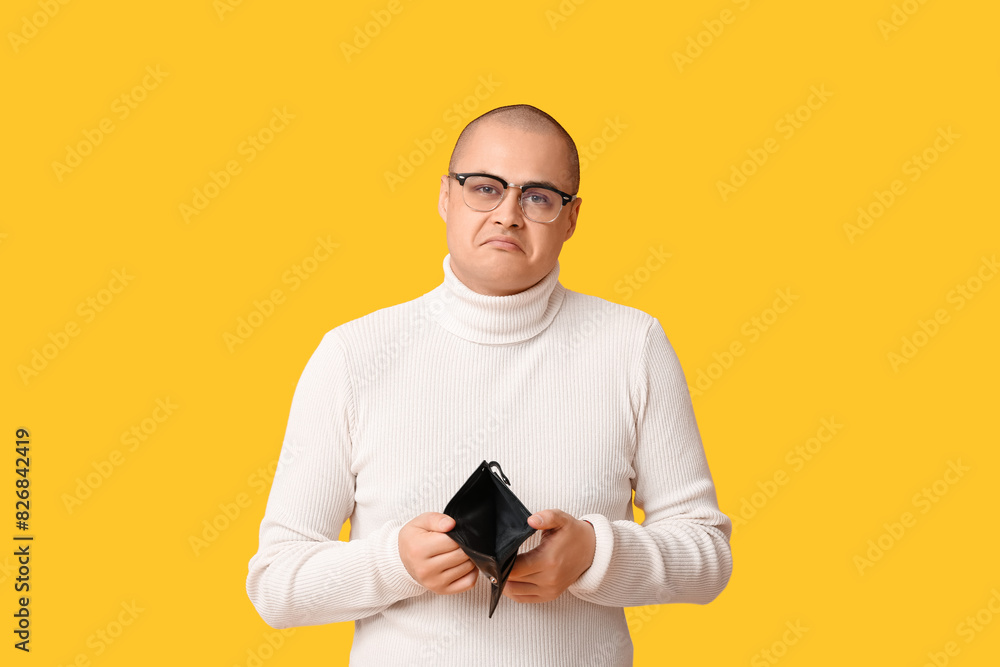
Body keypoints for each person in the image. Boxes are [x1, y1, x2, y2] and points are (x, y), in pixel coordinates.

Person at [245, 104, 733, 666]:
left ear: (571, 219)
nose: (507, 215)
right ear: (446, 197)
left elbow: (708, 557)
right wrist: (393, 564)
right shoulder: (352, 356)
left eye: (538, 197)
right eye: (484, 187)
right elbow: (276, 585)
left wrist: (597, 555)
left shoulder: (632, 345)